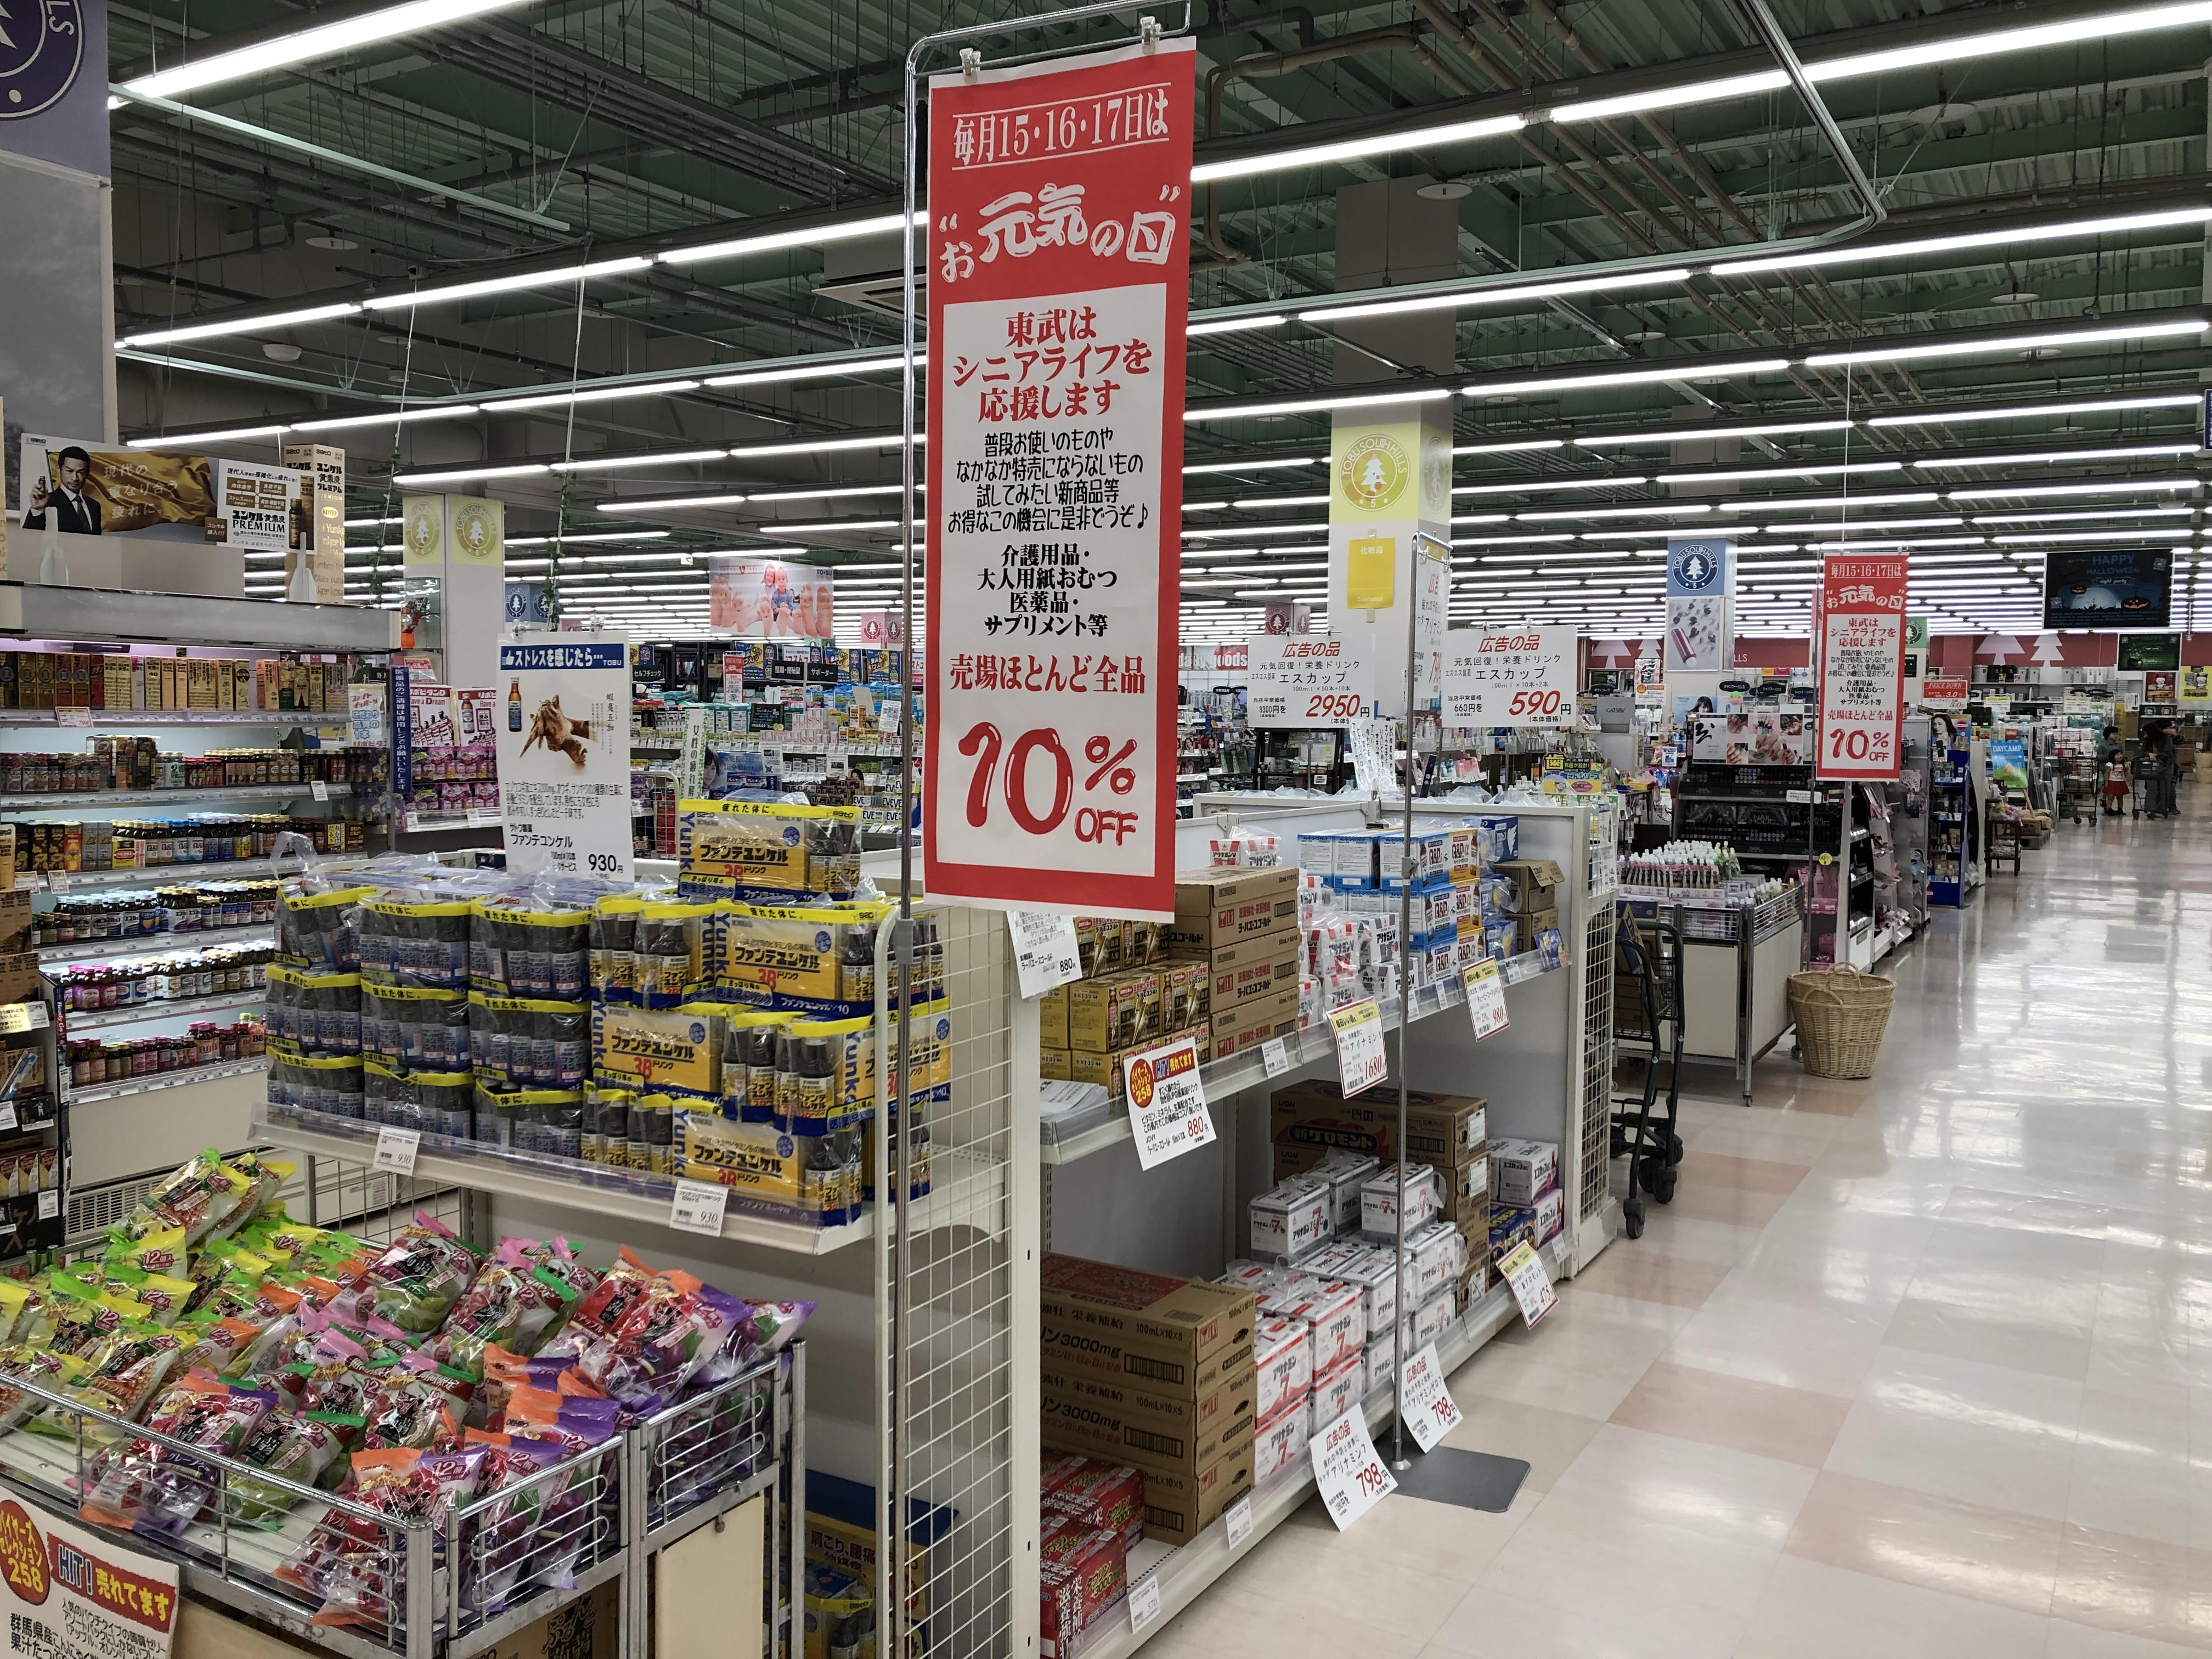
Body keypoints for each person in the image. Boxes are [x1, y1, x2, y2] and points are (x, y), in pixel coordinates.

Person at [22, 447, 100, 534]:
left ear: (87, 474)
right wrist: (38, 510)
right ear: (59, 470)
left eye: (80, 472)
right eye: (69, 471)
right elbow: (29, 537)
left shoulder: (94, 506)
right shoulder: (47, 501)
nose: (75, 478)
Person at [2101, 724, 2132, 817]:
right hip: (2107, 769)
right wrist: (2109, 758)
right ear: (2108, 735)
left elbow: (2126, 771)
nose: (2116, 736)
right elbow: (2099, 757)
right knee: (2109, 793)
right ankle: (2107, 807)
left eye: (2116, 734)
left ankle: (2119, 809)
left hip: (2119, 775)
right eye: (2114, 734)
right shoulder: (2103, 746)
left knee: (2119, 795)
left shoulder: (2119, 745)